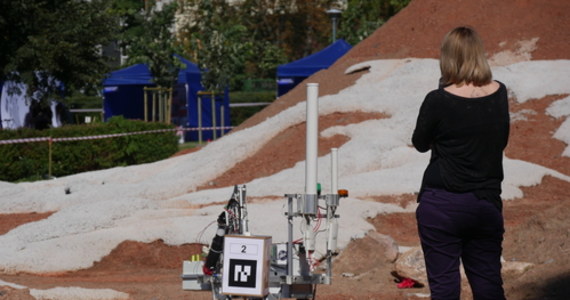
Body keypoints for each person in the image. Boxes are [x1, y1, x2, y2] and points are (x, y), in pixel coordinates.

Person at [412, 26, 510, 300]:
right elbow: (501, 141)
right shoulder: (500, 93)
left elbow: (420, 142)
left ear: (448, 58)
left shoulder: (438, 99)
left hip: (443, 203)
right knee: (489, 285)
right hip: (486, 202)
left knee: (445, 289)